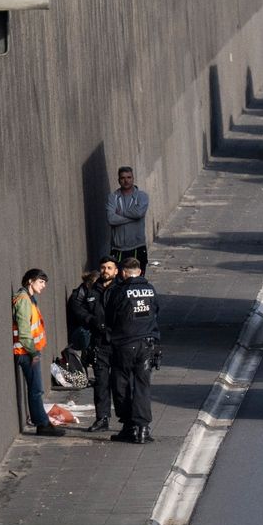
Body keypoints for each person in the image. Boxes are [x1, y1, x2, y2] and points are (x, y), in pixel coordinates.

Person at [104, 256, 160, 442]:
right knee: (142, 386)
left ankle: (129, 426)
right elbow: (155, 312)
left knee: (121, 385)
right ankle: (143, 428)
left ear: (123, 272)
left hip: (124, 345)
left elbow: (110, 316)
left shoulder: (120, 291)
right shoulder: (150, 290)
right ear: (140, 272)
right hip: (147, 344)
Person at [66, 260, 117, 430]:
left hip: (117, 342)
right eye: (103, 267)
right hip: (98, 343)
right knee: (101, 383)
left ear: (116, 271)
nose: (105, 271)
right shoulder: (91, 289)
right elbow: (76, 305)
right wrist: (90, 320)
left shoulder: (120, 288)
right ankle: (102, 418)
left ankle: (128, 420)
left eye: (109, 268)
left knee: (121, 383)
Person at [12, 269, 62, 436]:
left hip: (28, 351)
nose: (43, 286)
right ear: (30, 281)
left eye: (44, 283)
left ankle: (42, 422)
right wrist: (33, 352)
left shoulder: (29, 298)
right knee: (36, 389)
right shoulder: (24, 300)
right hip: (26, 352)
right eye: (41, 282)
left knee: (36, 389)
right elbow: (24, 330)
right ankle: (42, 424)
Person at [107, 166, 150, 269]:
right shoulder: (113, 197)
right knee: (118, 282)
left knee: (136, 281)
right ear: (118, 180)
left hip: (137, 246)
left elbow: (139, 213)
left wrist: (120, 213)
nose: (126, 181)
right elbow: (111, 219)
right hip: (118, 248)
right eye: (123, 178)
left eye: (129, 177)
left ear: (133, 178)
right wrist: (132, 217)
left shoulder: (142, 196)